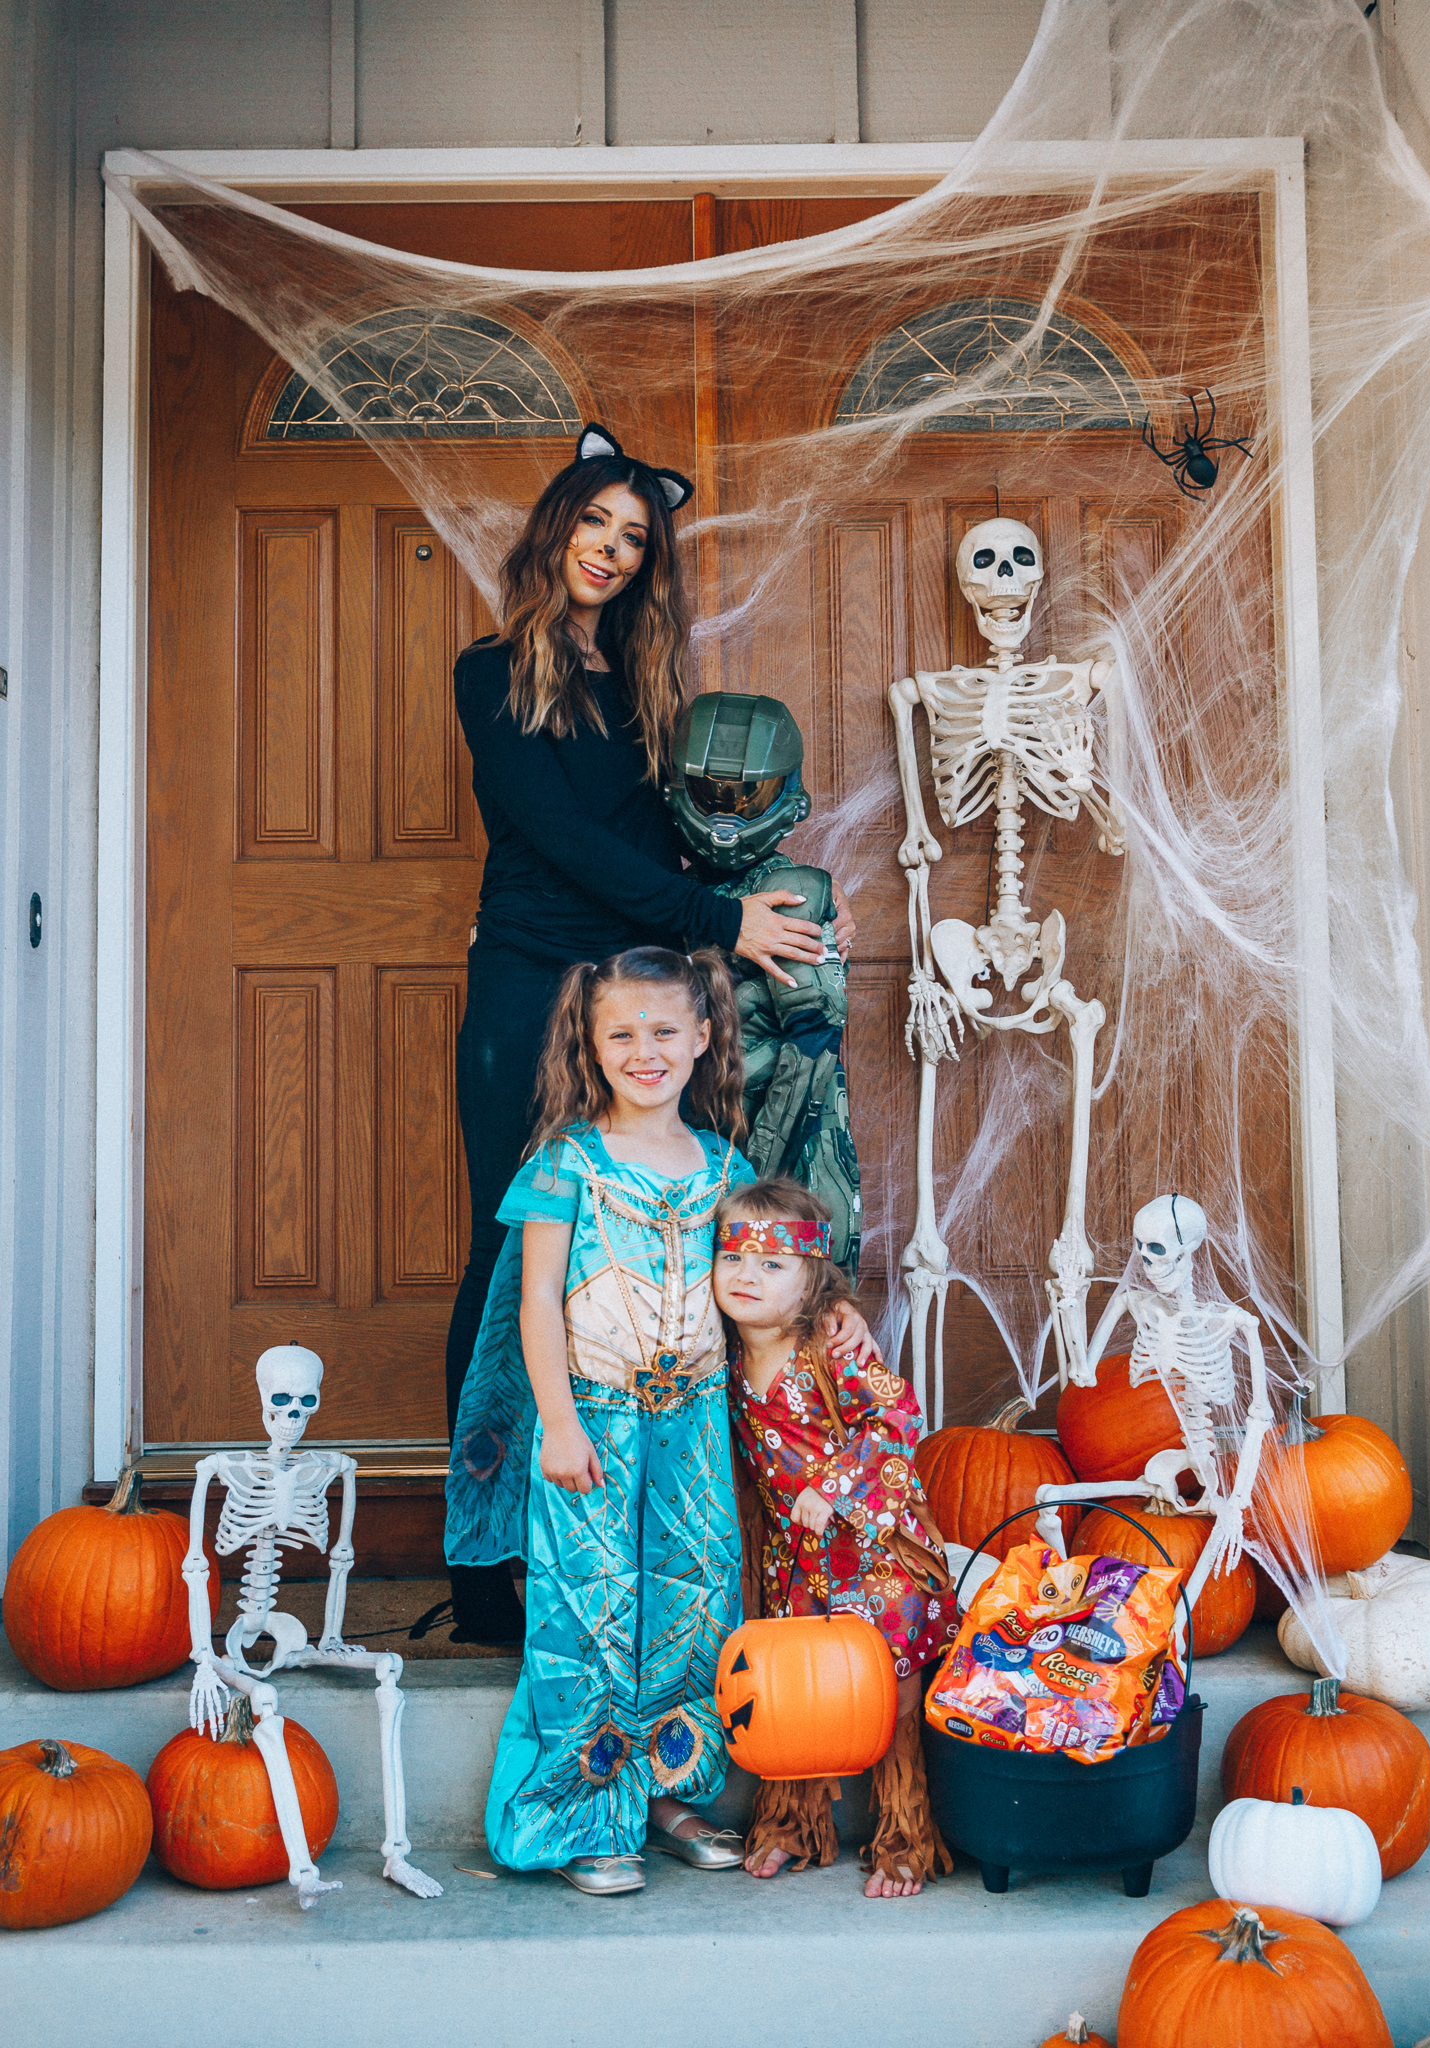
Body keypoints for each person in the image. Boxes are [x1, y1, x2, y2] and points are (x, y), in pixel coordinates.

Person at [446, 423, 854, 1643]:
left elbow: (662, 844)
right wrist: (717, 916)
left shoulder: (646, 688)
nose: (613, 552)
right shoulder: (490, 672)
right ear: (555, 528)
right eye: (595, 525)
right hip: (530, 985)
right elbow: (564, 842)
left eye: (634, 539)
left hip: (644, 989)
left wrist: (754, 908)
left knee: (655, 1259)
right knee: (508, 1258)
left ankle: (654, 1544)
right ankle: (484, 1572)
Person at [444, 950, 874, 1894]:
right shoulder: (567, 1164)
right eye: (622, 1034)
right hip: (592, 1417)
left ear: (704, 1038)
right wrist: (556, 1422)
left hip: (692, 1428)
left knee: (691, 1601)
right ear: (590, 1047)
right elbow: (534, 1304)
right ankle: (583, 1811)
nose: (645, 1052)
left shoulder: (726, 1168)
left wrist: (831, 1307)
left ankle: (666, 1794)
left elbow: (777, 1279)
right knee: (589, 1608)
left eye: (665, 1032)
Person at [712, 1175, 960, 1898]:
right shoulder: (719, 1353)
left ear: (813, 1278)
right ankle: (793, 1824)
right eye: (732, 1259)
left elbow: (898, 1419)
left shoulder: (830, 1343)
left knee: (889, 1689)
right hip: (797, 1559)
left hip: (876, 1550)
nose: (746, 1276)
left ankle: (903, 1839)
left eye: (771, 1264)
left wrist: (836, 1485)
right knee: (796, 1690)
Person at [666, 691, 861, 1275]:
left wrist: (751, 1181)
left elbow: (812, 1049)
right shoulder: (667, 894)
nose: (729, 813)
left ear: (788, 796)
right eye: (711, 792)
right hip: (706, 1159)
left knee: (796, 1336)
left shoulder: (792, 887)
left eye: (751, 795)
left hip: (786, 1165)